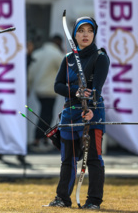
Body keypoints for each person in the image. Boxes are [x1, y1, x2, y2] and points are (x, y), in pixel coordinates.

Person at [47, 16, 110, 209]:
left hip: (92, 115)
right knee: (68, 160)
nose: (85, 35)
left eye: (89, 31)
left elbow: (97, 88)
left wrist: (90, 110)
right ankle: (62, 198)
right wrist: (74, 91)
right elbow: (57, 85)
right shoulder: (68, 59)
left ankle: (93, 201)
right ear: (74, 34)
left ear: (94, 33)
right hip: (69, 115)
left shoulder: (100, 57)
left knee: (93, 158)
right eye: (81, 30)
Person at [27, 35, 63, 152]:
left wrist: (28, 87)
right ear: (58, 43)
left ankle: (43, 139)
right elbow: (66, 68)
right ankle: (38, 140)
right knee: (46, 116)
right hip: (49, 90)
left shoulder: (38, 53)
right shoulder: (56, 54)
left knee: (44, 114)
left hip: (38, 90)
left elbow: (30, 73)